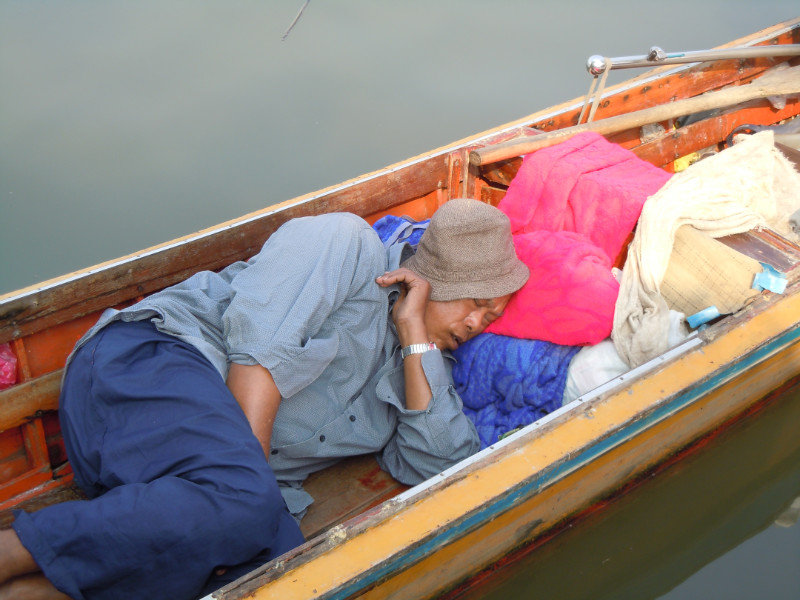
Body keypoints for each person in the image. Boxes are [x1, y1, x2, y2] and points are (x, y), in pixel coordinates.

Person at [0, 198, 529, 600]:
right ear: (437, 278)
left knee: (287, 575)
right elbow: (258, 349)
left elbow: (438, 464)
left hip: (174, 485)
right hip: (146, 368)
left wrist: (415, 340)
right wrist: (246, 497)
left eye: (493, 317)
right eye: (477, 303)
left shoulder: (424, 367)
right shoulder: (346, 245)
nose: (478, 324)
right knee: (250, 515)